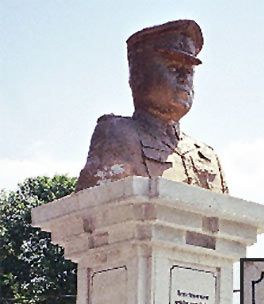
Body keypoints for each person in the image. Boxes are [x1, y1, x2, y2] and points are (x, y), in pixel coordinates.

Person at [75, 19, 228, 193]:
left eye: (189, 71)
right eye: (173, 68)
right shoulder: (117, 135)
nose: (184, 78)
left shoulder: (208, 157)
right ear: (139, 76)